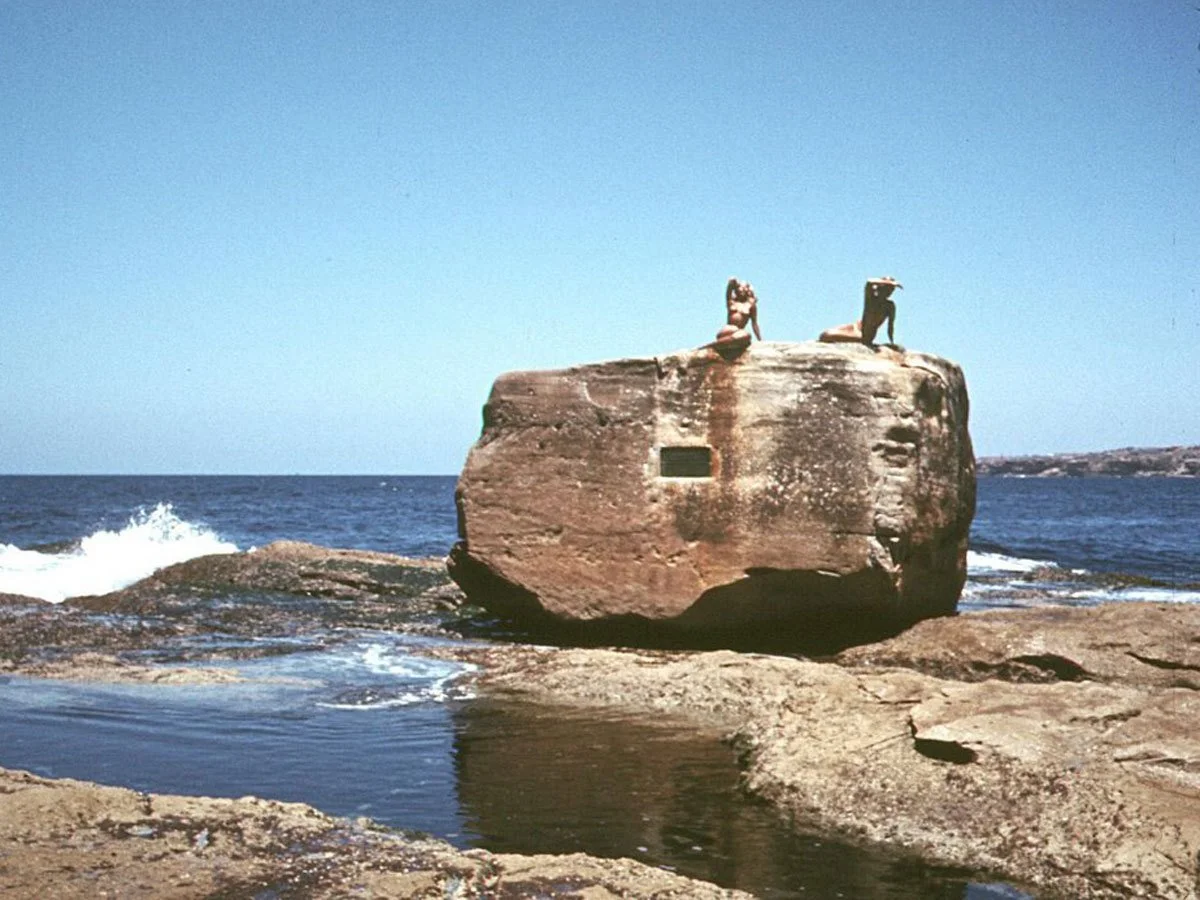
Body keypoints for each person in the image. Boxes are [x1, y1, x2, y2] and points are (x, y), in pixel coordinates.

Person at [818, 277, 902, 345]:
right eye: (887, 288)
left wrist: (892, 343)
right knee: (824, 334)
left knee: (826, 336)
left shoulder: (890, 306)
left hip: (865, 335)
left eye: (892, 290)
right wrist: (887, 282)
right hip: (855, 326)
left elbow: (890, 327)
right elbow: (869, 282)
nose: (889, 292)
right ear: (880, 287)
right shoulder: (871, 299)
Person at [715, 277, 762, 344]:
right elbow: (731, 284)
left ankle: (726, 342)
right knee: (742, 335)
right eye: (740, 288)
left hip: (739, 332)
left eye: (744, 288)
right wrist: (737, 283)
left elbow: (754, 324)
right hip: (728, 329)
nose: (741, 290)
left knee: (746, 336)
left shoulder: (751, 306)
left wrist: (760, 340)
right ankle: (718, 344)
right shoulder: (731, 302)